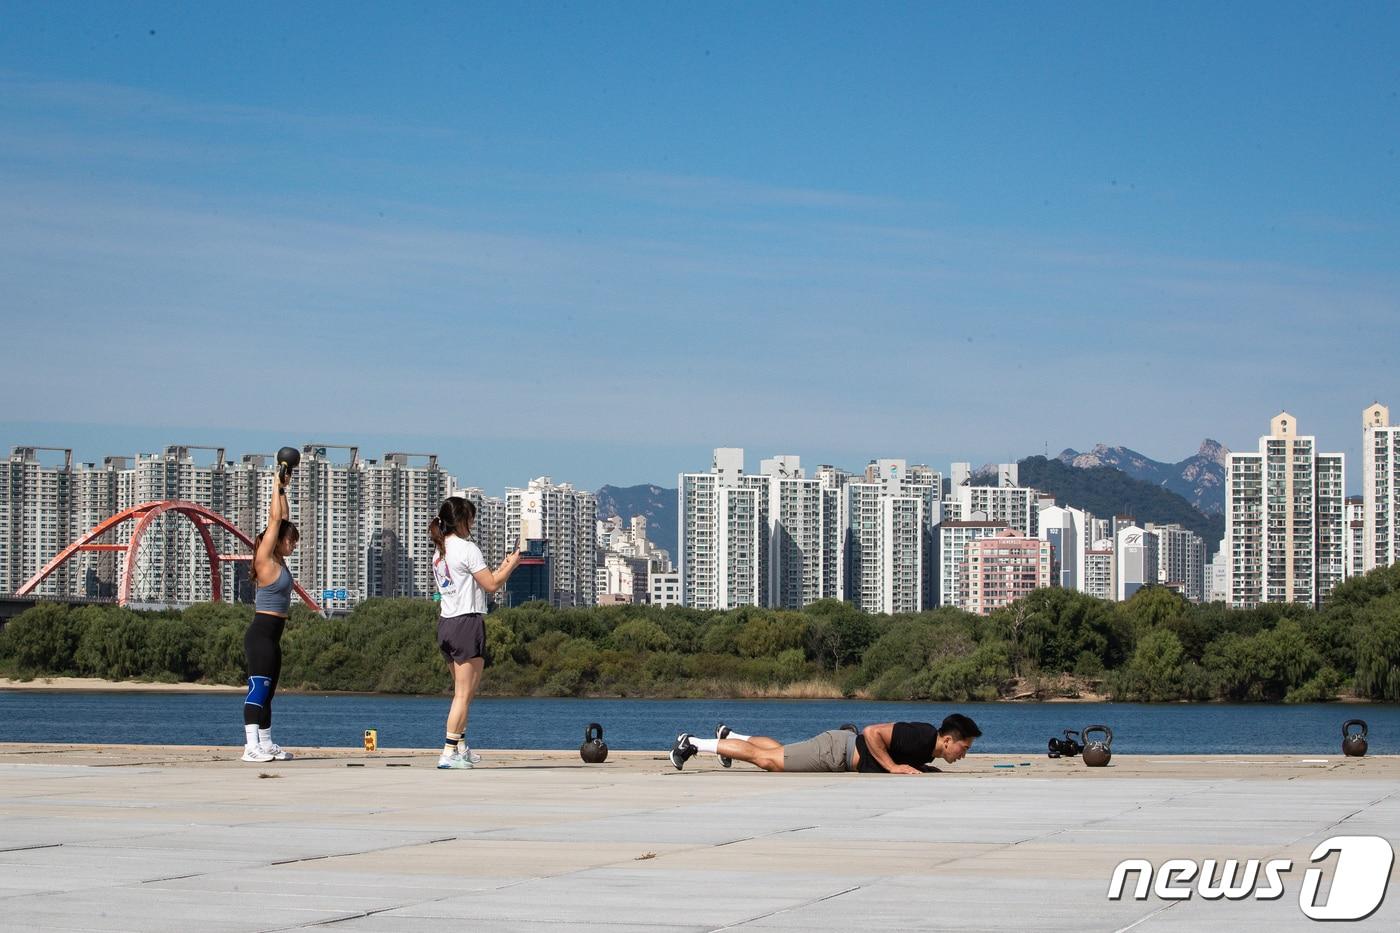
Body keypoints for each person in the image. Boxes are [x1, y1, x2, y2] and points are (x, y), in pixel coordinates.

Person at [429, 496, 522, 770]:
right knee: (463, 694)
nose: (473, 523)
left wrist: (504, 566)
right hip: (467, 623)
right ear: (460, 521)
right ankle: (448, 752)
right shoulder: (467, 548)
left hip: (446, 623)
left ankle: (459, 747)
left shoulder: (440, 550)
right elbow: (492, 585)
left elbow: (479, 582)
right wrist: (513, 565)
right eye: (470, 518)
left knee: (463, 694)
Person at [669, 714, 981, 774]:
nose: (963, 755)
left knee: (776, 751)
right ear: (949, 739)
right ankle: (693, 743)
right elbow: (873, 732)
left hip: (839, 749)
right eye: (964, 748)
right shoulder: (924, 736)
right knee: (768, 761)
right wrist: (893, 767)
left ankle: (731, 737)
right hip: (837, 752)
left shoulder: (929, 748)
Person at [241, 463, 300, 762]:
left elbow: (284, 518)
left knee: (270, 692)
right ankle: (250, 747)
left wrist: (283, 487)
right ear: (274, 540)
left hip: (273, 637)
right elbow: (275, 519)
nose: (293, 544)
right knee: (258, 689)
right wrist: (275, 482)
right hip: (261, 635)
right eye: (290, 540)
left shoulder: (279, 558)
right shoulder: (265, 559)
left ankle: (265, 743)